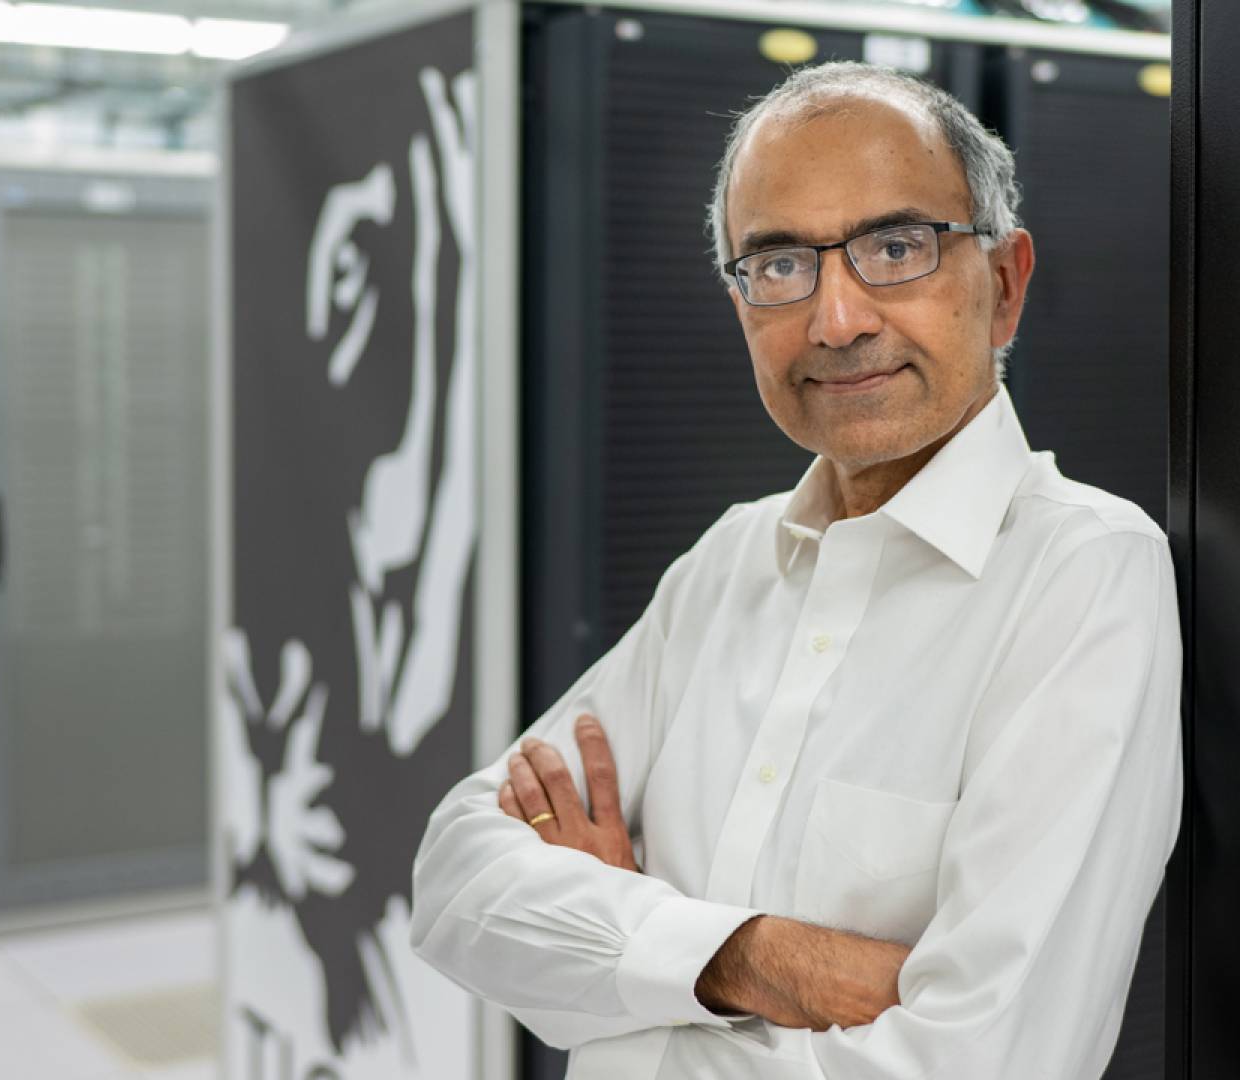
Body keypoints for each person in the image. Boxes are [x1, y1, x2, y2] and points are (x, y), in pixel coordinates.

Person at [409, 61, 1182, 1079]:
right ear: (740, 306)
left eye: (897, 247)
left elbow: (983, 1062)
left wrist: (624, 965)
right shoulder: (730, 561)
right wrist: (756, 959)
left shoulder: (1084, 578)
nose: (837, 320)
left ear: (1003, 285)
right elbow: (458, 876)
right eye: (778, 265)